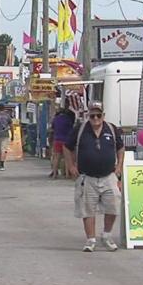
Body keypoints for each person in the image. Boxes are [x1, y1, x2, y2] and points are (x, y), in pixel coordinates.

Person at [64, 101, 124, 252]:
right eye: (92, 116)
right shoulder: (81, 129)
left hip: (108, 175)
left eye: (98, 115)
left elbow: (121, 148)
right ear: (88, 116)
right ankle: (91, 240)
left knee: (113, 206)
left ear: (103, 116)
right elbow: (67, 147)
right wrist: (71, 165)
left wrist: (119, 167)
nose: (95, 119)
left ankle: (106, 235)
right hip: (87, 177)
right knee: (88, 209)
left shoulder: (111, 129)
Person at [50, 108, 75, 179]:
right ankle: (67, 174)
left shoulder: (55, 119)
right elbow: (71, 129)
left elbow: (53, 128)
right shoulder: (68, 119)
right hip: (66, 140)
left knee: (56, 158)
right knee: (67, 158)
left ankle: (54, 174)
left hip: (57, 140)